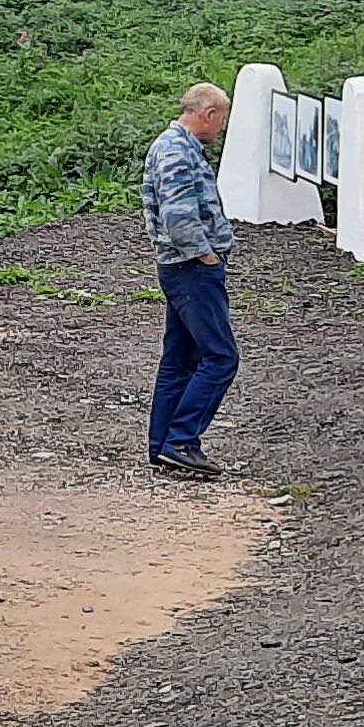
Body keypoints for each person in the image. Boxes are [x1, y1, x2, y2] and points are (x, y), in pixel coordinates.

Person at [141, 82, 239, 480]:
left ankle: (162, 443)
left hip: (178, 266)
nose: (221, 129)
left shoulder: (170, 146)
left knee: (180, 358)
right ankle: (181, 440)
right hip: (191, 267)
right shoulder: (178, 151)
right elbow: (179, 216)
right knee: (221, 356)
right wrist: (206, 254)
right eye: (223, 120)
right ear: (209, 114)